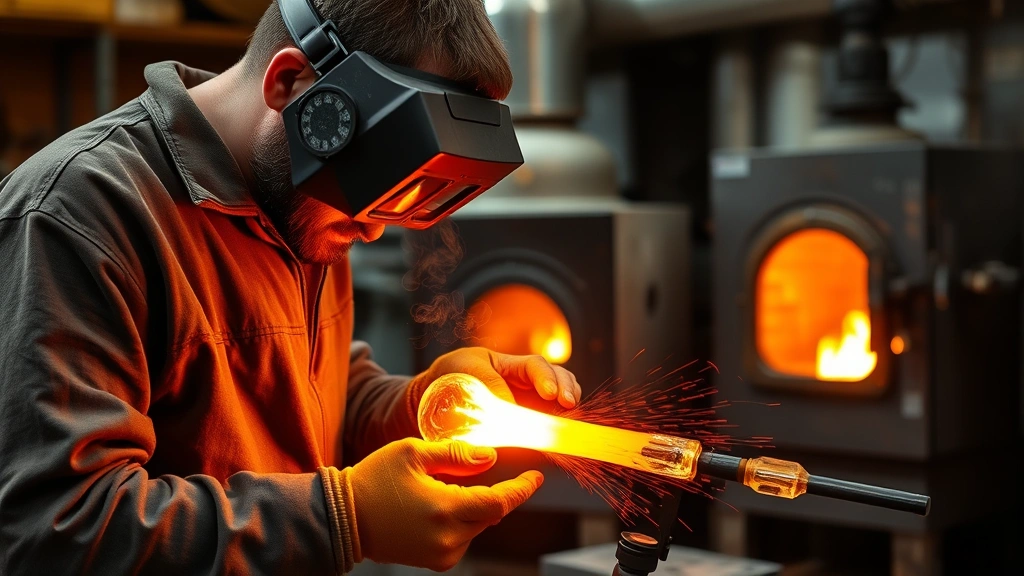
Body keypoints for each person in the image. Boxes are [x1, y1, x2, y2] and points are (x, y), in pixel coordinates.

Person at [0, 1, 582, 574]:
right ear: (292, 86)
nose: (372, 229)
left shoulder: (302, 196)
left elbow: (318, 400)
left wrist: (423, 406)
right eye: (365, 192)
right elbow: (55, 533)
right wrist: (344, 519)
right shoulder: (78, 216)